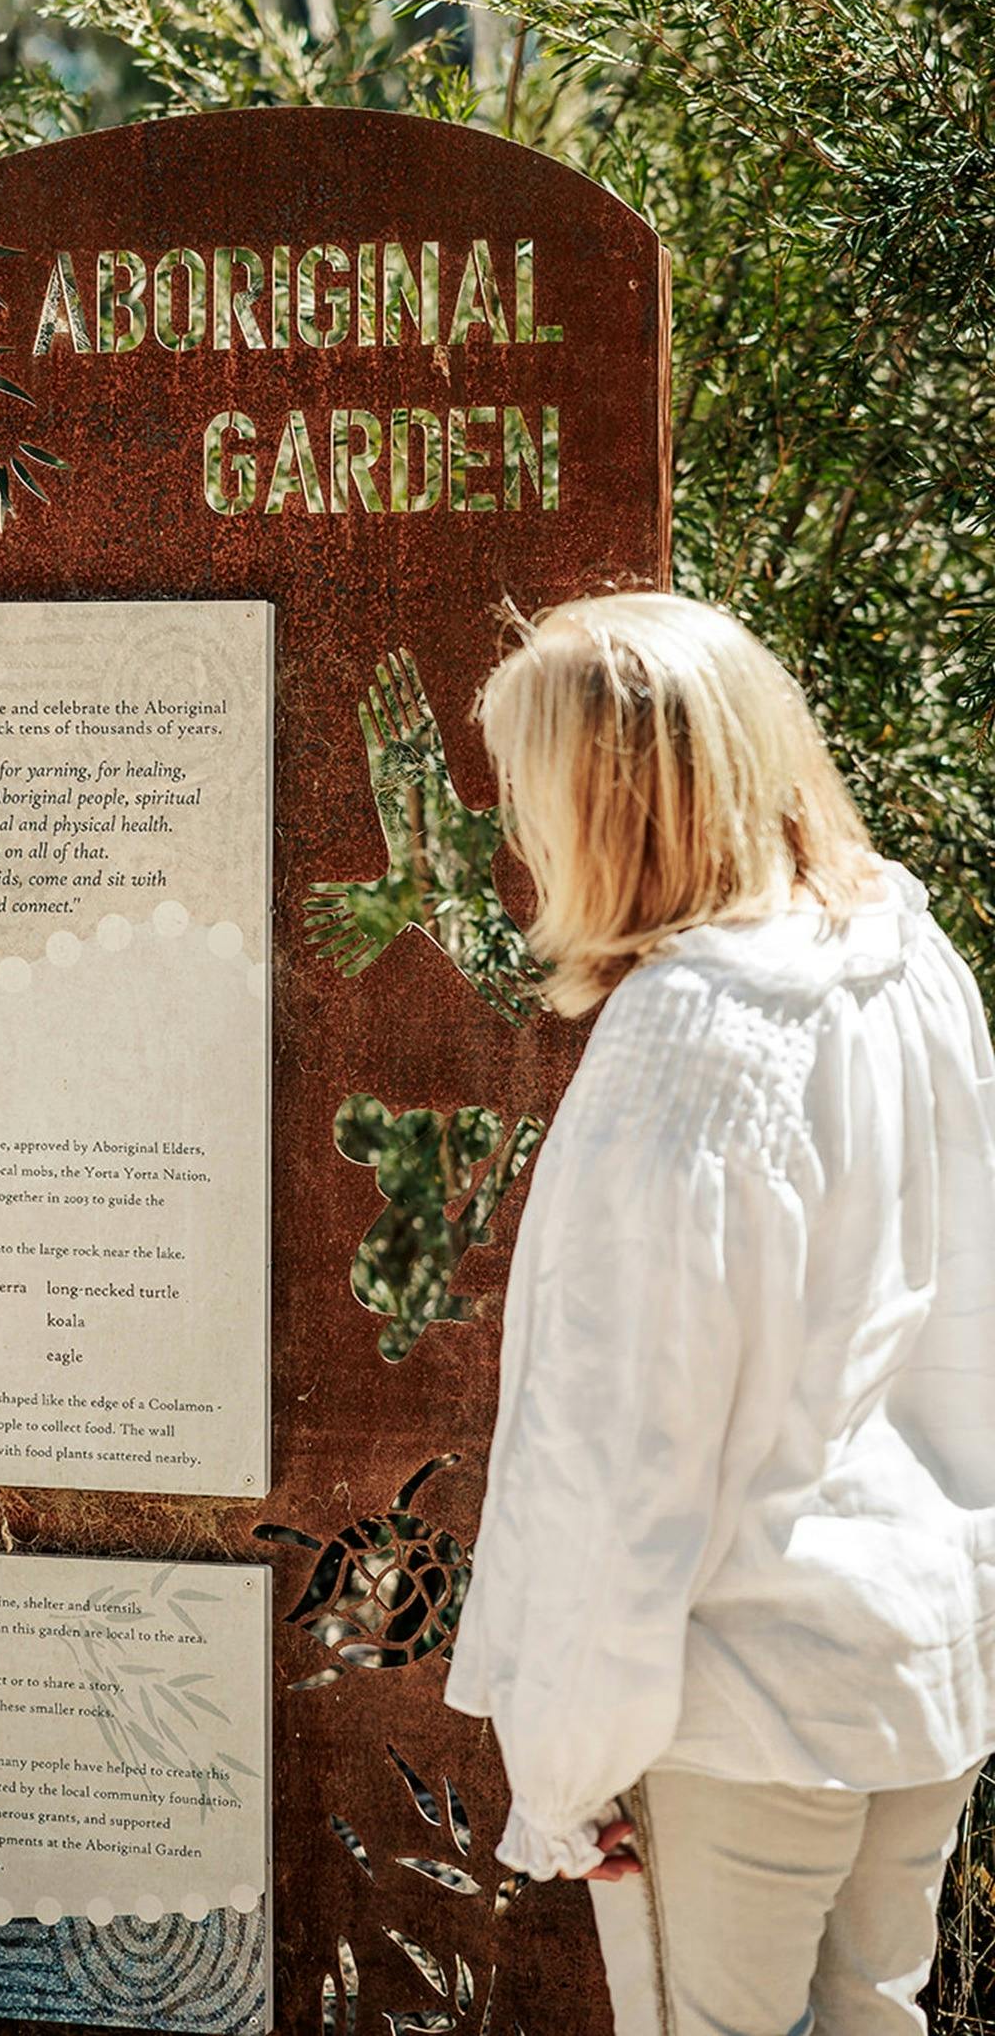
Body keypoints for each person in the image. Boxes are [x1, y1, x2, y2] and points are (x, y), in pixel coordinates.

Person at [442, 589, 995, 2036]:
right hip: (923, 1655)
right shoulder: (906, 959)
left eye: (531, 791)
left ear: (609, 804)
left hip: (743, 1694)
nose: (518, 834)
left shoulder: (689, 1041)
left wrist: (564, 1767)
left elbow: (623, 1441)